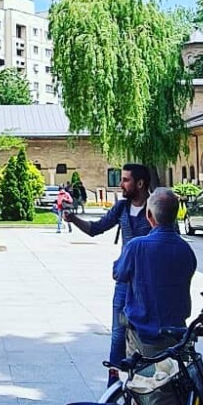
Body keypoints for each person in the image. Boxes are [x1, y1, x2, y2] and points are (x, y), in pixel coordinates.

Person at [114, 188, 197, 405]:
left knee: (143, 384)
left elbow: (119, 273)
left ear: (149, 216)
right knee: (174, 386)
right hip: (176, 333)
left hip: (143, 333)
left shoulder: (138, 246)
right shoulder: (186, 250)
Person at [64, 163, 154, 385]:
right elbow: (96, 228)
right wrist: (73, 219)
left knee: (145, 334)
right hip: (124, 282)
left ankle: (145, 383)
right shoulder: (122, 208)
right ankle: (113, 387)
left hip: (148, 284)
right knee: (117, 335)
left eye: (125, 180)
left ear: (140, 183)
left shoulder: (155, 208)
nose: (121, 184)